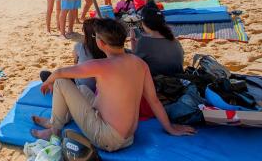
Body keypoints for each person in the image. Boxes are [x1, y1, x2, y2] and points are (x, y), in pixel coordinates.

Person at [30, 18, 195, 152]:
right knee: (81, 89)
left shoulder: (102, 65)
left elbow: (59, 73)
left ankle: (54, 129)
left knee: (60, 83)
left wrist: (49, 81)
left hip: (107, 138)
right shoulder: (139, 63)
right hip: (128, 137)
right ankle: (55, 120)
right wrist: (170, 128)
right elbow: (154, 101)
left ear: (101, 44)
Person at [130, 0, 184, 76]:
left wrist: (132, 39)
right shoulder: (173, 39)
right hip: (179, 80)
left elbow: (134, 63)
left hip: (160, 84)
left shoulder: (144, 42)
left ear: (145, 24)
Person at [73, 19, 107, 92]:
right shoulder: (107, 47)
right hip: (101, 88)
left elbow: (75, 64)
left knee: (47, 75)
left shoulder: (80, 46)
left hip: (83, 88)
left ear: (85, 32)